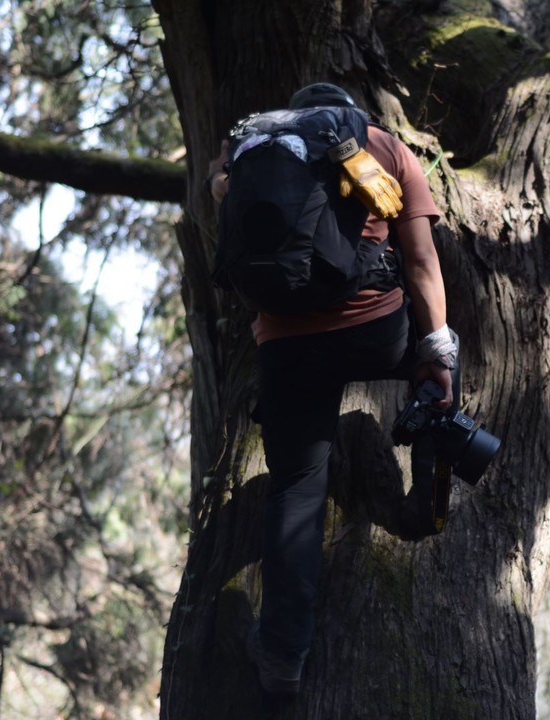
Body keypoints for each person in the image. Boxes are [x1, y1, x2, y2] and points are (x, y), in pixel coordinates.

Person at [204, 82, 457, 695]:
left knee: (295, 488)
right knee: (442, 364)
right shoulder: (385, 148)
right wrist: (437, 355)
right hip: (376, 329)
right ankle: (427, 500)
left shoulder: (244, 157)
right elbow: (422, 262)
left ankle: (283, 656)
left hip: (285, 347)